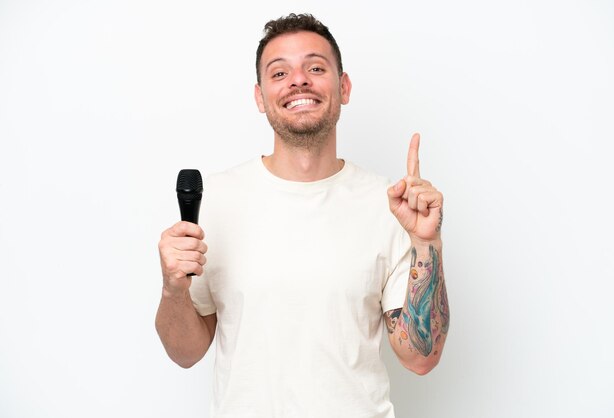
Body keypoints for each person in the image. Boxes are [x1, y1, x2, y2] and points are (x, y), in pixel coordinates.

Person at [156, 13, 449, 418]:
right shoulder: (217, 201)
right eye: (280, 72)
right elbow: (185, 353)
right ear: (260, 97)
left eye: (315, 67)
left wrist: (426, 244)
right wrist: (173, 288)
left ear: (343, 87)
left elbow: (421, 357)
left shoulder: (390, 206)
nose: (299, 81)